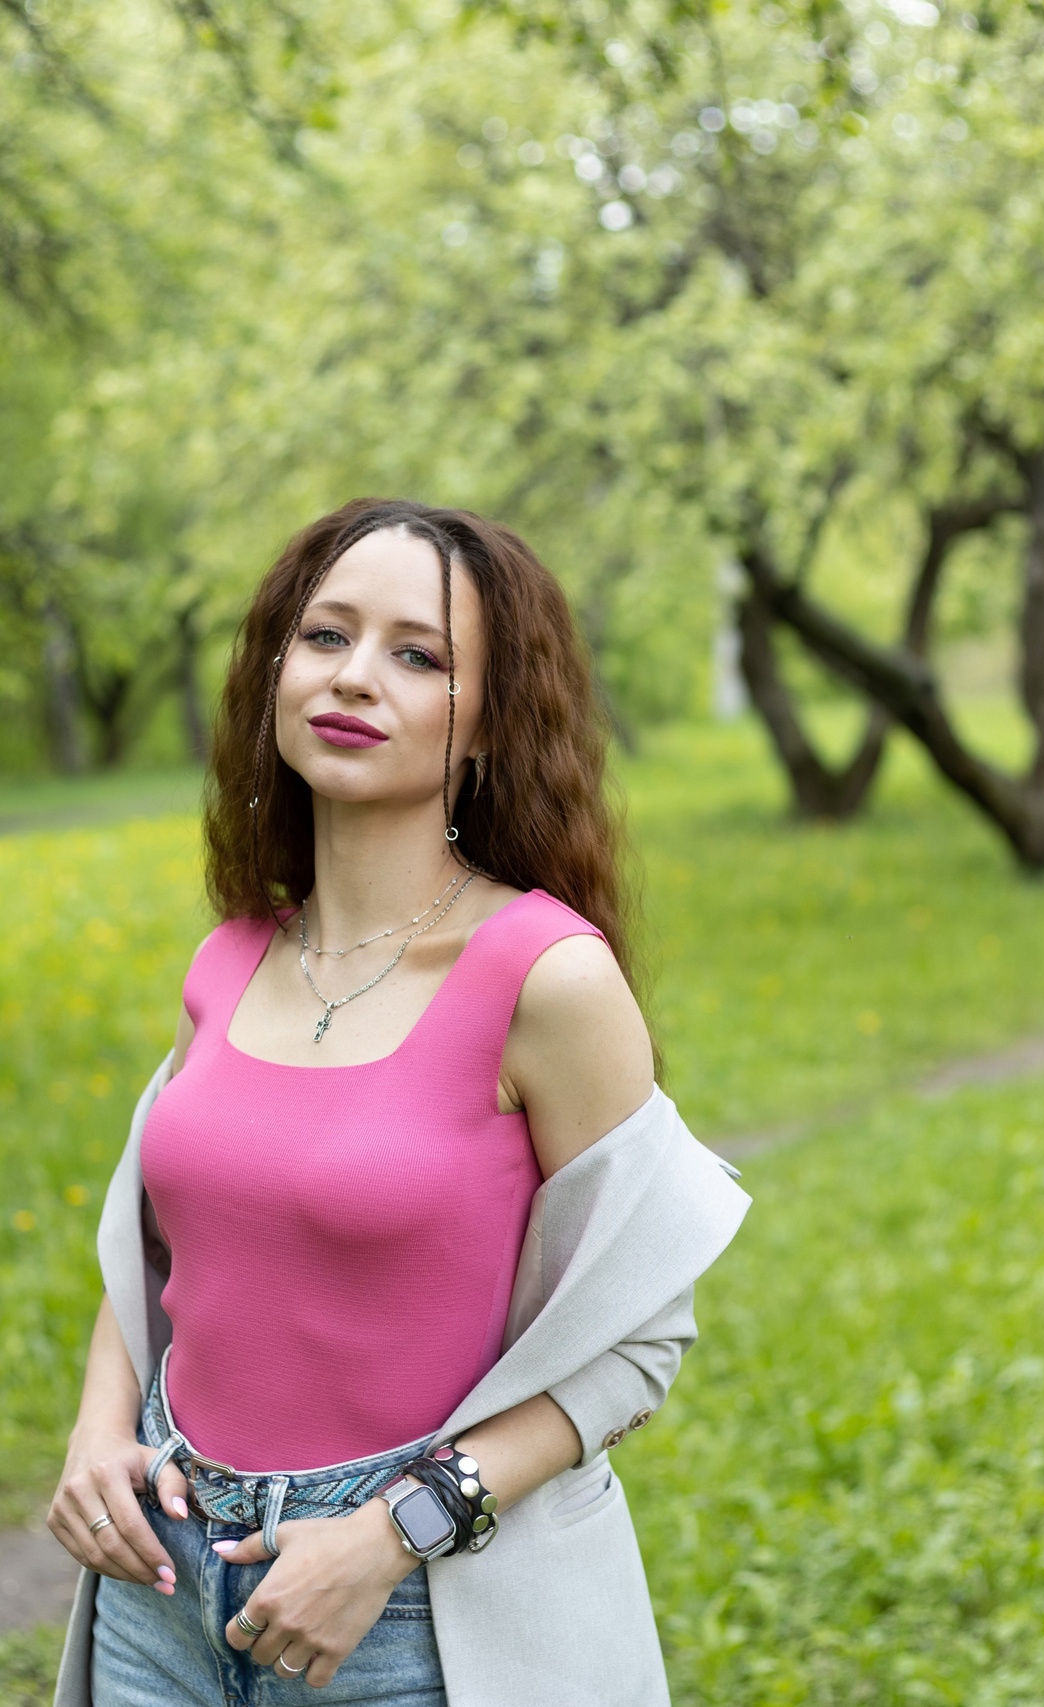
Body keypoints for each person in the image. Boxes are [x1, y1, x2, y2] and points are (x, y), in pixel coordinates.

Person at [46, 499, 748, 1706]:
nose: (355, 676)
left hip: (411, 1618)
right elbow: (160, 1251)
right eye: (325, 637)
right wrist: (99, 1431)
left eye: (417, 654)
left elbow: (639, 1337)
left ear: (484, 723)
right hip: (157, 1589)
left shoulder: (547, 978)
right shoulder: (229, 963)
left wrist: (392, 1533)